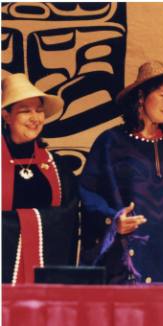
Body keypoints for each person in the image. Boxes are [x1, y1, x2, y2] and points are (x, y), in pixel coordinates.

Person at [78, 60, 163, 285]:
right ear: (141, 97)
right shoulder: (111, 142)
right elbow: (88, 193)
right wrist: (114, 221)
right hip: (130, 265)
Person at [2, 73, 79, 284]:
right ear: (7, 116)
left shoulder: (56, 165)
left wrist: (20, 222)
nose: (35, 118)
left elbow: (70, 212)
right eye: (25, 111)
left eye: (39, 110)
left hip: (46, 272)